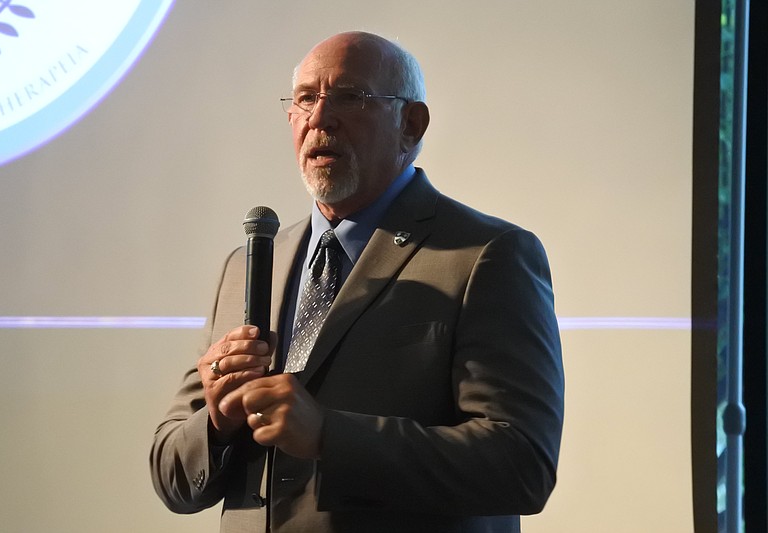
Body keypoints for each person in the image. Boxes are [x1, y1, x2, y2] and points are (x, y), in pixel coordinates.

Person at [150, 31, 564, 533]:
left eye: (350, 97)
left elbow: (521, 465)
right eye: (305, 99)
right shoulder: (248, 265)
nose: (319, 118)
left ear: (411, 124)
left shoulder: (485, 255)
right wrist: (217, 425)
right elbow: (172, 476)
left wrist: (329, 435)